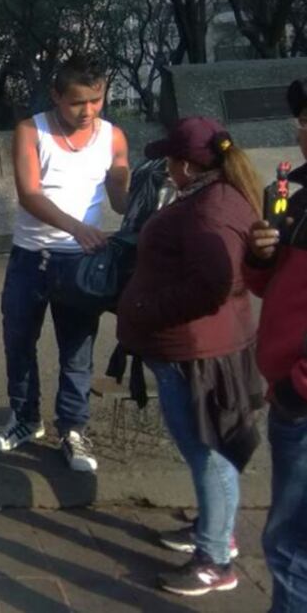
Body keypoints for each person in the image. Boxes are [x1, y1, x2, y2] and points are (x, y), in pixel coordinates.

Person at [117, 117, 262, 596]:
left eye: (169, 161)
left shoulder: (208, 210)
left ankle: (215, 559)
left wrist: (147, 310)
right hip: (208, 344)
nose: (166, 169)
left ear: (184, 165)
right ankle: (213, 529)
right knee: (211, 447)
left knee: (207, 452)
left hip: (195, 351)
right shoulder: (221, 195)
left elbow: (213, 282)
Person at [0, 54, 130, 472]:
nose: (88, 111)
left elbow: (120, 203)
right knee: (19, 340)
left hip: (81, 265)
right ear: (56, 96)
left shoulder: (113, 137)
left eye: (96, 100)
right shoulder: (32, 131)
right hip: (31, 256)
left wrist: (126, 182)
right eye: (77, 102)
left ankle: (73, 428)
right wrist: (76, 227)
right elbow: (29, 194)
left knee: (77, 350)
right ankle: (25, 417)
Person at [246, 78, 307, 613]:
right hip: (290, 392)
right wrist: (261, 256)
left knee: (291, 546)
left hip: (301, 398)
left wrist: (297, 388)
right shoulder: (297, 193)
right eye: (305, 121)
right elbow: (270, 285)